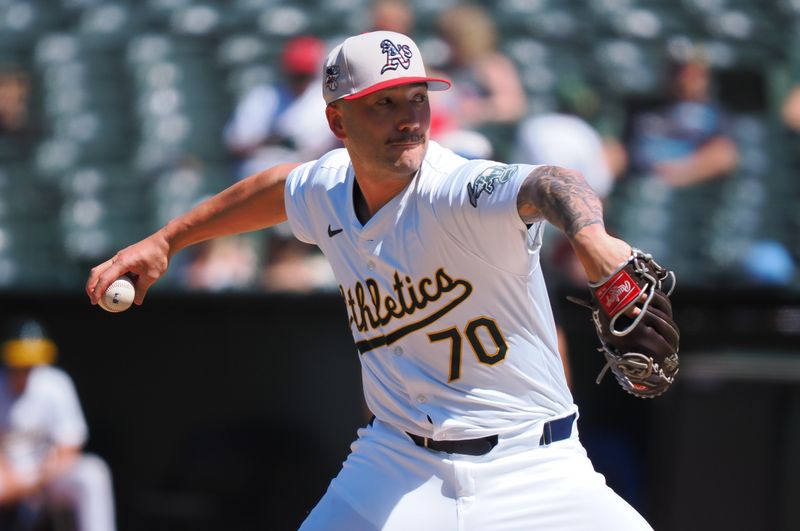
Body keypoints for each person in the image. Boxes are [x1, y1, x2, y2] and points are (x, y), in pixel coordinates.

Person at [87, 31, 657, 529]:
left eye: (417, 99)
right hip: (399, 462)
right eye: (383, 103)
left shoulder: (454, 188)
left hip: (534, 467)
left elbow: (552, 182)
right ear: (337, 120)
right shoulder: (328, 188)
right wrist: (167, 241)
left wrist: (593, 240)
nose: (408, 118)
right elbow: (276, 189)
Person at [0, 317, 116, 531]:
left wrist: (40, 479)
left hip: (48, 474)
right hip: (10, 475)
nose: (25, 368)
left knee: (92, 474)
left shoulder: (54, 383)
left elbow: (70, 447)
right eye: (20, 362)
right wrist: (17, 482)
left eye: (30, 363)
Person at [626, 51, 739, 186]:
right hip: (636, 181)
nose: (684, 79)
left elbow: (724, 157)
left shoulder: (716, 113)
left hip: (681, 188)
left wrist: (675, 175)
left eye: (693, 74)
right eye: (678, 72)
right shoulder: (642, 107)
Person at [431, 4, 527, 159]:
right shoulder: (442, 69)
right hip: (447, 136)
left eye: (453, 39)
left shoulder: (491, 65)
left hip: (484, 137)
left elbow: (513, 106)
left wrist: (479, 110)